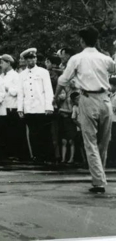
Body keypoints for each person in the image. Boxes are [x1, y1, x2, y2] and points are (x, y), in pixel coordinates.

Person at [56, 27, 116, 194]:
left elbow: (63, 79)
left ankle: (99, 181)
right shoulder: (104, 59)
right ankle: (100, 178)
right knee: (103, 142)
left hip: (88, 98)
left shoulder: (77, 59)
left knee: (90, 142)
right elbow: (114, 69)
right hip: (105, 99)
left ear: (82, 41)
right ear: (96, 41)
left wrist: (55, 98)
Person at [18, 47, 54, 164]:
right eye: (28, 59)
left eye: (33, 58)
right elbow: (20, 92)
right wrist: (20, 108)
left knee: (44, 133)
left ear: (36, 59)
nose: (31, 61)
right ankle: (37, 156)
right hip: (29, 107)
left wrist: (49, 106)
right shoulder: (22, 74)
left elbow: (48, 90)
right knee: (33, 134)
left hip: (41, 107)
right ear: (25, 60)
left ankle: (47, 156)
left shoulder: (43, 72)